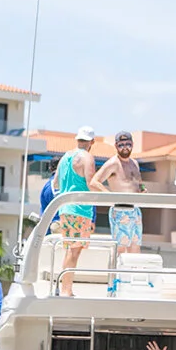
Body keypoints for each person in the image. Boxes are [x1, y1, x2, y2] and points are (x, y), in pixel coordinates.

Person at [56, 126, 103, 296]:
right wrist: (110, 196)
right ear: (92, 142)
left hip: (64, 207)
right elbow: (91, 183)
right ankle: (66, 290)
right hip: (80, 209)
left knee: (70, 249)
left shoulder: (65, 157)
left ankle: (65, 288)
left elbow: (55, 183)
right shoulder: (87, 157)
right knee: (74, 251)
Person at [93, 131, 144, 256]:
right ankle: (117, 275)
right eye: (121, 145)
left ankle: (132, 274)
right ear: (116, 146)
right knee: (120, 249)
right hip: (120, 210)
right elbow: (94, 182)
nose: (125, 147)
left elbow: (139, 182)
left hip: (135, 209)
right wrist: (111, 197)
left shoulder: (134, 163)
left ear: (132, 144)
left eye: (128, 144)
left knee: (135, 247)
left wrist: (143, 189)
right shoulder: (113, 164)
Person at [39, 159, 60, 233]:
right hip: (71, 225)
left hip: (54, 228)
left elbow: (44, 213)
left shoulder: (46, 187)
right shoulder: (70, 185)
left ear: (50, 169)